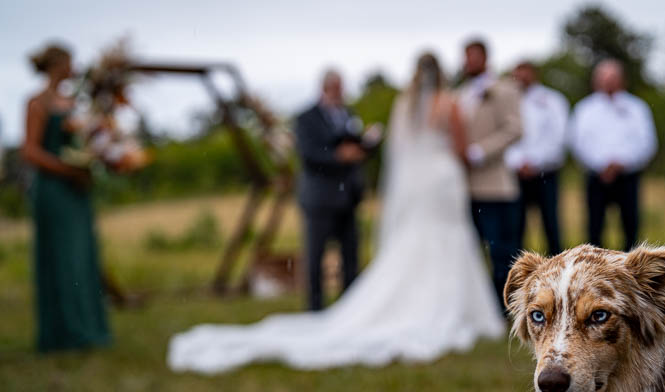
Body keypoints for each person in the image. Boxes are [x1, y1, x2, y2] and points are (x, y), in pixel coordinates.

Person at [167, 53, 505, 373]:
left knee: (393, 245)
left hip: (406, 184)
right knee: (429, 241)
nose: (339, 91)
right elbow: (459, 147)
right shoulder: (447, 103)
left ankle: (366, 302)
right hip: (434, 179)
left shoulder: (401, 104)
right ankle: (336, 307)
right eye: (335, 86)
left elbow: (396, 150)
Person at [22, 43, 111, 352]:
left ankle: (89, 328)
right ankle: (64, 333)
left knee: (82, 256)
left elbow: (88, 139)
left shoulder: (74, 102)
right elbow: (30, 150)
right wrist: (66, 169)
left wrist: (99, 157)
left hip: (77, 189)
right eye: (69, 63)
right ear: (56, 65)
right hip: (54, 189)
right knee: (62, 257)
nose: (73, 69)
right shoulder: (37, 103)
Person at [293, 70, 370, 311]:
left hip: (348, 197)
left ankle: (349, 308)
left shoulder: (349, 114)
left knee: (351, 257)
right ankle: (315, 309)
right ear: (325, 88)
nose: (340, 92)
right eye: (335, 88)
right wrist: (339, 156)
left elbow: (355, 146)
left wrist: (365, 146)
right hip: (319, 199)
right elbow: (308, 154)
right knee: (316, 257)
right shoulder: (306, 118)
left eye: (341, 87)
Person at [457, 39, 523, 311]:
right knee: (471, 251)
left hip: (496, 186)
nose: (468, 62)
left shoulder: (504, 90)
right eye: (465, 56)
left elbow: (515, 129)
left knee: (501, 251)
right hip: (464, 188)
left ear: (485, 58)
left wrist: (479, 152)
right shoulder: (459, 95)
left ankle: (505, 307)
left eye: (472, 56)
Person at [569, 59, 657, 251]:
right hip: (596, 176)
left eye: (613, 77)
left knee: (630, 226)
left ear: (622, 80)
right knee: (594, 227)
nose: (608, 82)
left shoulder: (637, 108)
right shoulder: (585, 109)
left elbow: (646, 142)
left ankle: (632, 266)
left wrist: (622, 163)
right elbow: (578, 143)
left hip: (628, 176)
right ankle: (595, 267)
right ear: (596, 81)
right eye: (604, 77)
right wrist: (600, 165)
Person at [506, 61, 569, 256]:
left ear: (534, 74)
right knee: (516, 226)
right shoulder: (508, 101)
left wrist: (535, 162)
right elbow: (506, 135)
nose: (521, 78)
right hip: (515, 173)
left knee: (550, 224)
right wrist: (517, 162)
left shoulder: (552, 100)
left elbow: (559, 135)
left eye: (525, 73)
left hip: (545, 172)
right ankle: (520, 269)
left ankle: (556, 264)